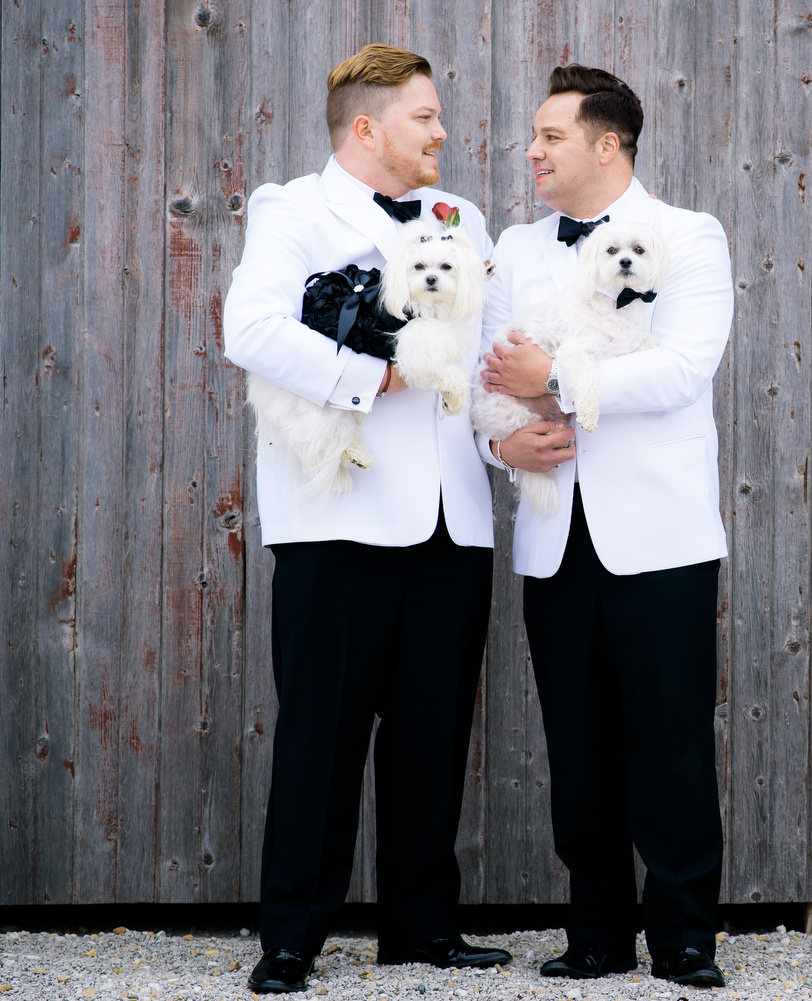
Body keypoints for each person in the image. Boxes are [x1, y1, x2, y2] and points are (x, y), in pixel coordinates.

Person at [222, 44, 511, 994]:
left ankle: (421, 927)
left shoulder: (462, 218)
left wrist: (513, 438)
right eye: (424, 117)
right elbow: (252, 330)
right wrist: (374, 376)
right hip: (334, 519)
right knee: (322, 733)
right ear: (367, 127)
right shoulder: (292, 210)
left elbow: (478, 363)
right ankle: (293, 932)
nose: (441, 132)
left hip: (450, 521)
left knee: (432, 734)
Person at [478, 65, 733, 988]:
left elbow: (678, 371)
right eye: (534, 139)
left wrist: (551, 384)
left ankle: (685, 934)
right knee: (577, 746)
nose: (533, 152)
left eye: (550, 137)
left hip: (659, 537)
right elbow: (485, 381)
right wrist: (505, 447)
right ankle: (595, 933)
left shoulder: (688, 237)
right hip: (555, 532)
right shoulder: (514, 244)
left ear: (607, 143)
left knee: (669, 741)